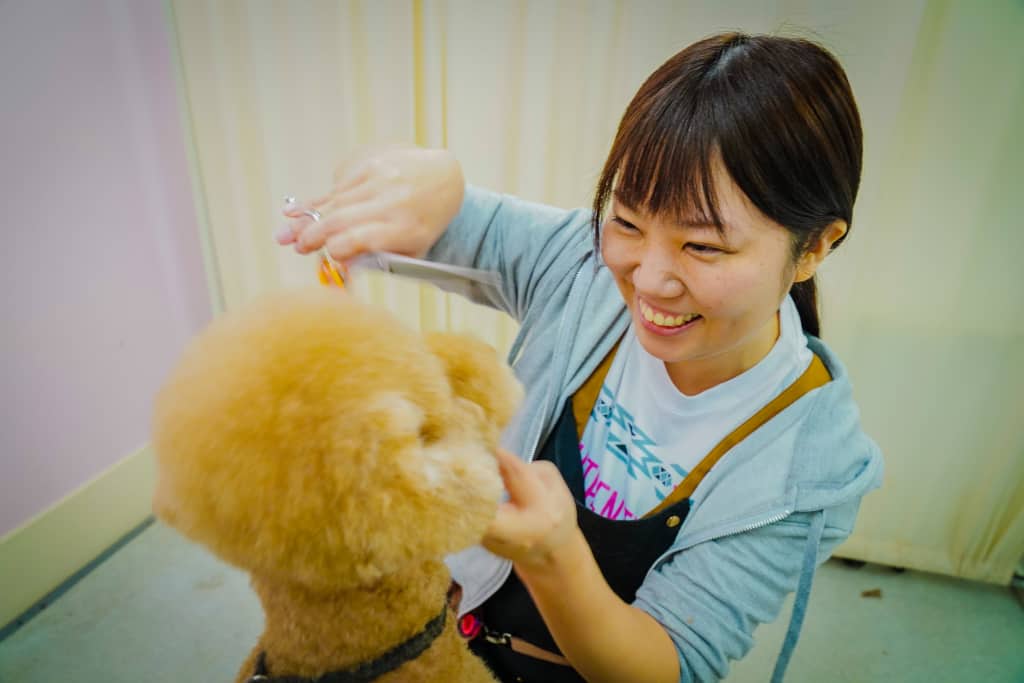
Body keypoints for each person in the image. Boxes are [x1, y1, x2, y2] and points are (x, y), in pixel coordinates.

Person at [277, 32, 883, 683]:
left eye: (702, 247)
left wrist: (552, 556)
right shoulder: (582, 264)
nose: (648, 279)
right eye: (626, 221)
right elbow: (427, 216)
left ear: (817, 245)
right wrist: (415, 172)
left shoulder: (809, 469)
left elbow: (667, 664)